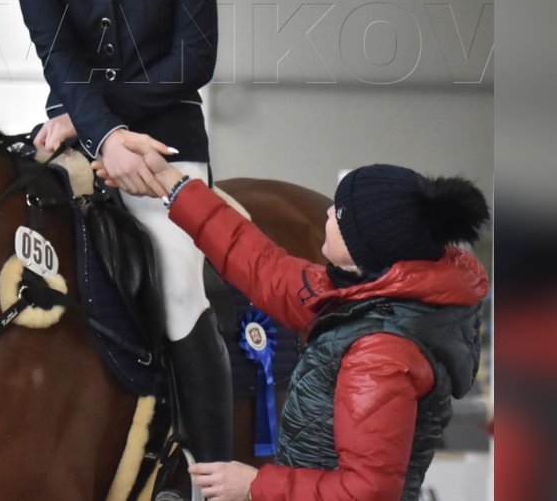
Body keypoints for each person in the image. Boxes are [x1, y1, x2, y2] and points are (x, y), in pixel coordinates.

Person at [9, 0, 232, 471]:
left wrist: (98, 122)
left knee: (175, 286)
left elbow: (194, 61)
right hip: (76, 140)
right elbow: (59, 58)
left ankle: (204, 474)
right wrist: (98, 132)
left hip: (166, 142)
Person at [102, 159, 489, 501]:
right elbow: (262, 265)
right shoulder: (364, 298)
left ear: (364, 250)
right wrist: (176, 187)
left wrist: (254, 486)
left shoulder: (381, 352)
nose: (327, 213)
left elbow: (368, 492)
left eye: (340, 215)